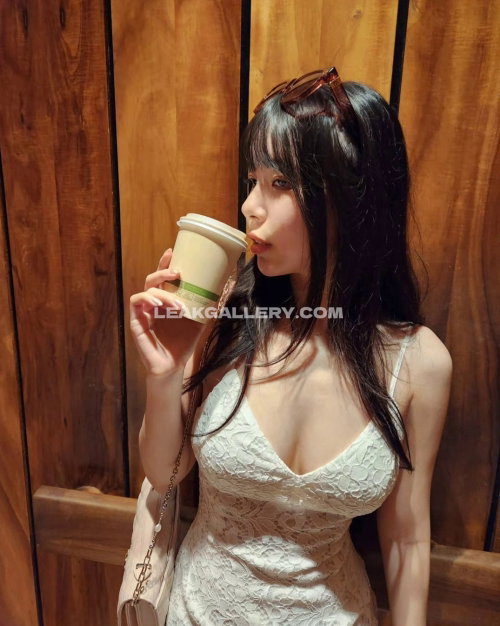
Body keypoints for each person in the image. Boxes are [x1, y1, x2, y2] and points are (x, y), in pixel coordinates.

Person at [130, 67, 453, 626]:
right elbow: (164, 474)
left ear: (351, 200)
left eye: (280, 183)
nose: (250, 207)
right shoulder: (226, 315)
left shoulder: (419, 363)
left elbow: (406, 540)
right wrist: (165, 376)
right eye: (253, 180)